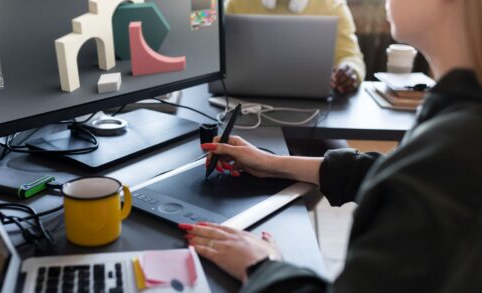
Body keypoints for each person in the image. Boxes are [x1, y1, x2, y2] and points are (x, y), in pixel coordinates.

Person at [180, 0, 482, 291]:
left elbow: (418, 177)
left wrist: (263, 265)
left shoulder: (454, 151)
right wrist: (270, 163)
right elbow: (386, 172)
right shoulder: (455, 132)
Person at [226, 0, 366, 95]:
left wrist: (350, 69)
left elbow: (351, 56)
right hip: (246, 104)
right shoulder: (237, 3)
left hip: (314, 112)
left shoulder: (332, 5)